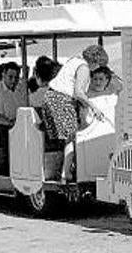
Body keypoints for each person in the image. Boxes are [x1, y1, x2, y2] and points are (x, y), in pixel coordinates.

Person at [43, 45, 108, 182]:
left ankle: (67, 170)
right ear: (96, 61)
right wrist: (93, 107)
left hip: (51, 96)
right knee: (73, 137)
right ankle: (66, 174)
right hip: (61, 100)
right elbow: (79, 93)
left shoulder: (75, 60)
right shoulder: (84, 68)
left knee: (70, 136)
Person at [0, 62, 27, 175]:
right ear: (4, 74)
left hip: (19, 123)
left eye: (16, 77)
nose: (14, 80)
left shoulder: (21, 89)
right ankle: (8, 171)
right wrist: (13, 124)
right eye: (10, 77)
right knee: (7, 134)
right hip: (2, 126)